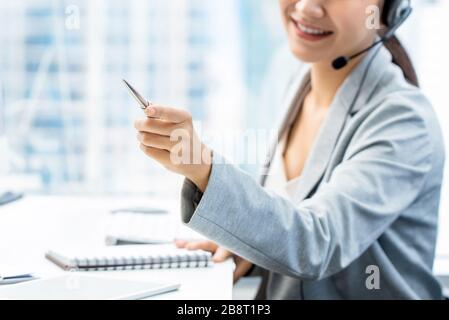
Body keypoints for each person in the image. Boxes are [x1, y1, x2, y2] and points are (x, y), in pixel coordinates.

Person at [134, 0, 445, 299]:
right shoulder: (297, 76)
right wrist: (248, 245)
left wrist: (202, 166)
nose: (307, 7)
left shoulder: (404, 122)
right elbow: (288, 213)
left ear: (388, 8)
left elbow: (316, 243)